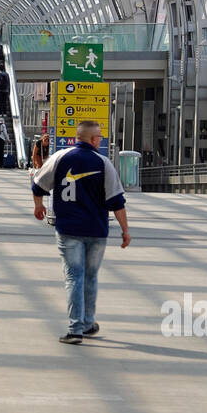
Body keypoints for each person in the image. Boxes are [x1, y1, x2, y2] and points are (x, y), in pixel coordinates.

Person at [31, 119, 131, 344]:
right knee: (90, 276)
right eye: (100, 137)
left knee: (74, 276)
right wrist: (125, 231)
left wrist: (38, 205)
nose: (100, 140)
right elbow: (117, 201)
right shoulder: (103, 163)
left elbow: (37, 183)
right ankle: (86, 323)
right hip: (96, 230)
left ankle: (75, 329)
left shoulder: (60, 158)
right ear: (93, 139)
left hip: (69, 229)